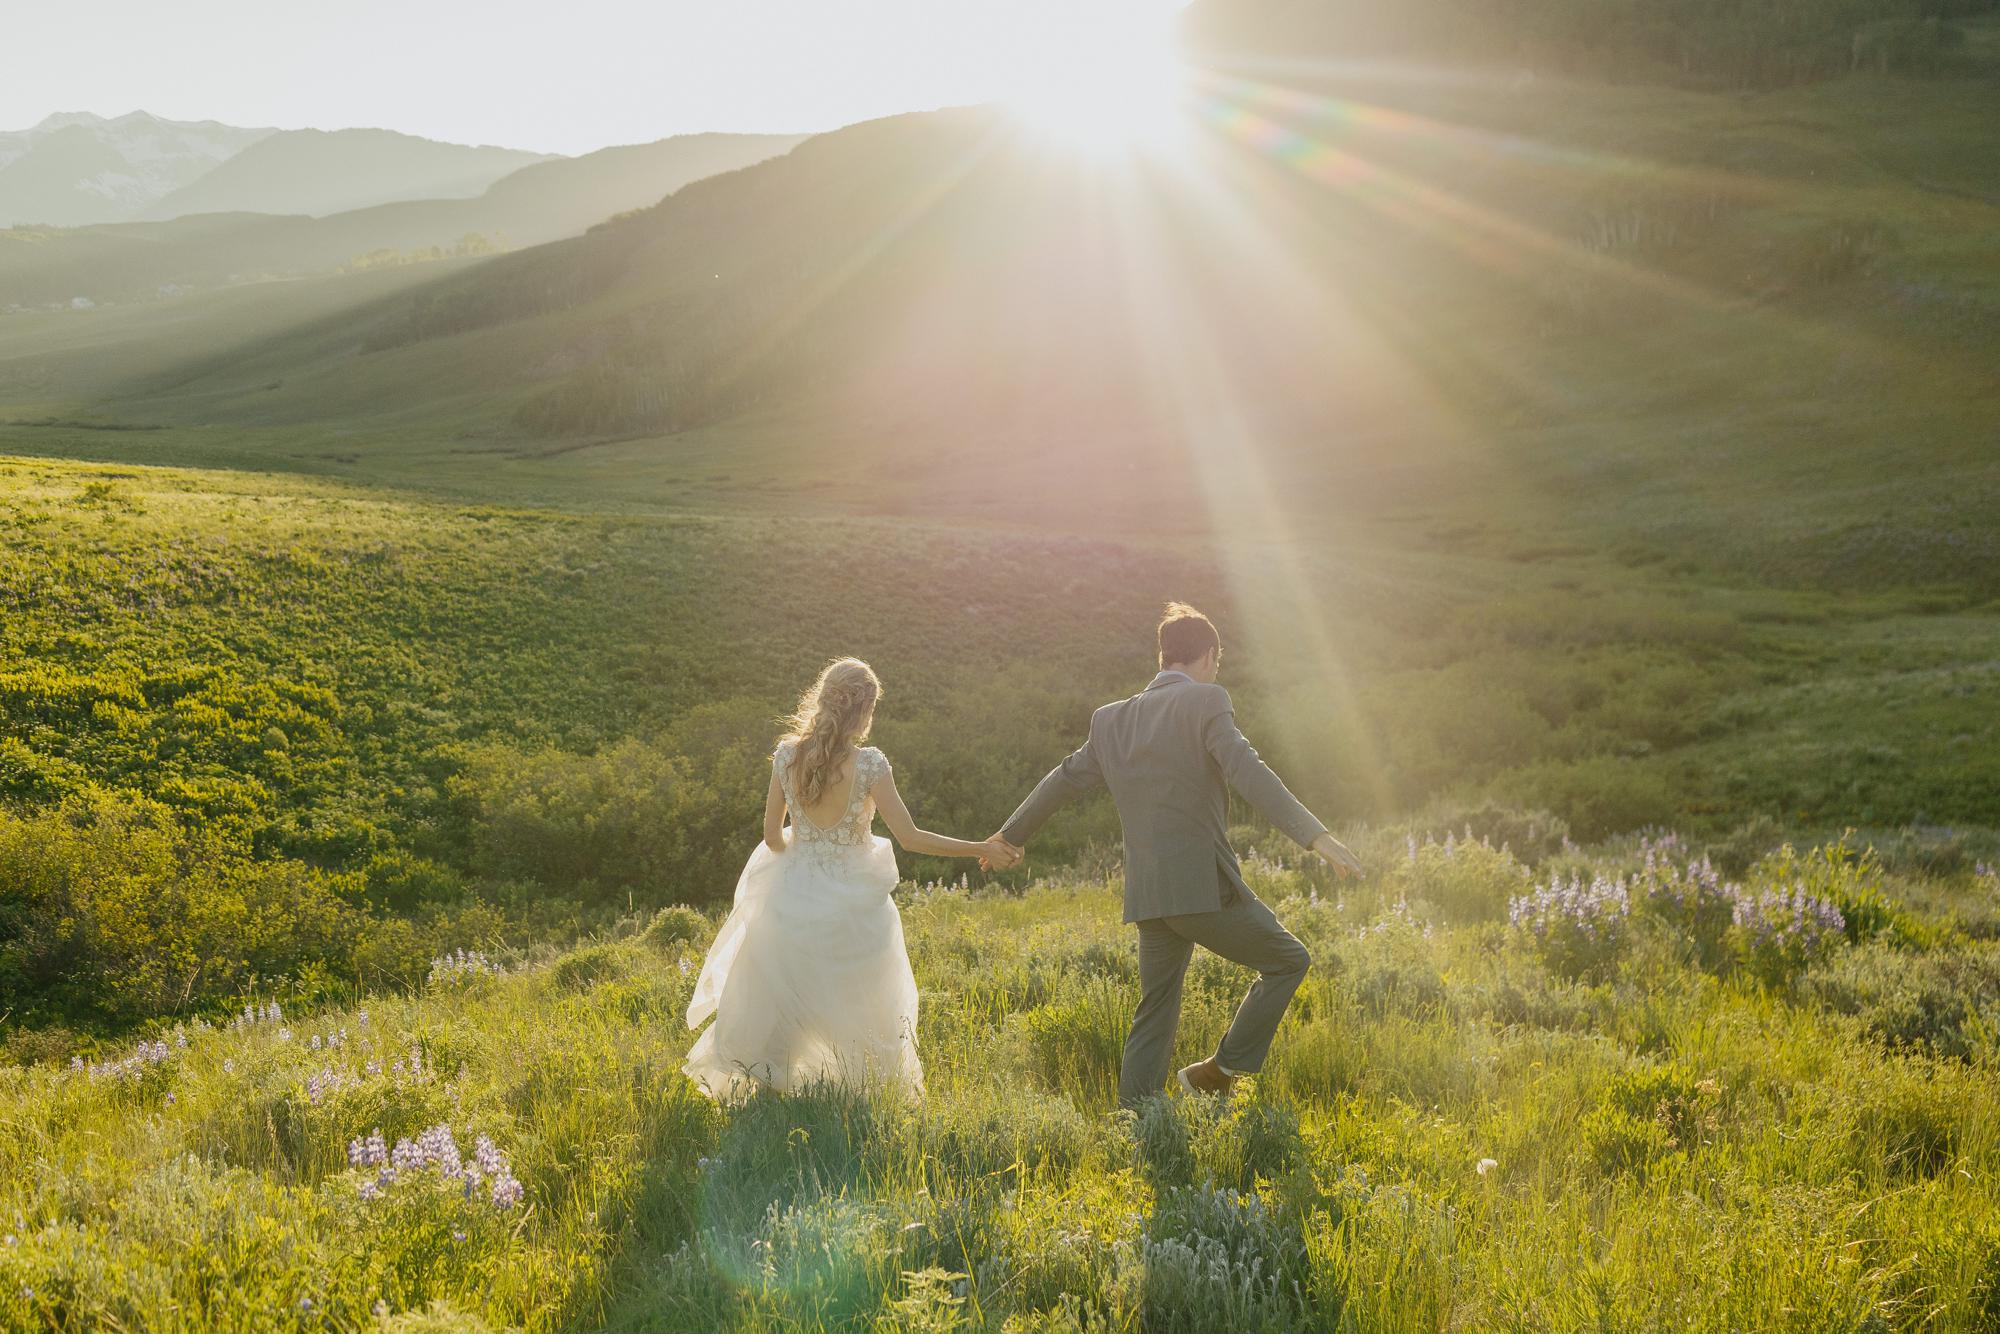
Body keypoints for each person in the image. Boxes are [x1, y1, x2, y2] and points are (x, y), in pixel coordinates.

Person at [988, 603, 1359, 1108]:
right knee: (1289, 961)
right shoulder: (1206, 701)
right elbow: (1249, 772)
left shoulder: (1109, 720)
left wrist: (1009, 835)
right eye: (1217, 663)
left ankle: (1135, 1125)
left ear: (1163, 657)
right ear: (1209, 657)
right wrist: (1316, 837)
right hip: (1203, 889)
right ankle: (1221, 1070)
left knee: (1155, 1010)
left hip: (1150, 894)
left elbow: (1064, 779)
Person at [683, 657, 1018, 1100]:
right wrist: (981, 847)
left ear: (823, 698)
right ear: (866, 710)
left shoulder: (787, 756)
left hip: (792, 896)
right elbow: (911, 838)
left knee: (786, 1000)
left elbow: (770, 837)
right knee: (857, 1007)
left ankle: (775, 1099)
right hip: (852, 906)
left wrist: (804, 853)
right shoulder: (870, 766)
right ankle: (853, 1098)